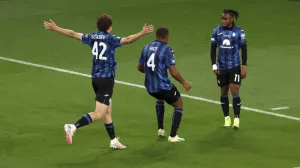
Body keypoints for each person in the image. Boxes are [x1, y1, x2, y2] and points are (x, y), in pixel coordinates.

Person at [44, 13, 154, 149]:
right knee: (99, 113)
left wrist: (56, 28)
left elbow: (72, 34)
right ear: (110, 27)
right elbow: (128, 40)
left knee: (107, 111)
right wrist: (142, 33)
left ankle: (113, 140)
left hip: (95, 79)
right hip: (106, 80)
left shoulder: (92, 37)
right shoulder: (110, 39)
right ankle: (73, 126)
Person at [137, 27, 191, 142]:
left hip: (150, 87)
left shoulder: (146, 48)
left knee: (159, 99)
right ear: (166, 36)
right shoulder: (166, 49)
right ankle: (173, 136)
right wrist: (184, 82)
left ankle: (160, 129)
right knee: (179, 105)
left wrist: (152, 72)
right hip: (163, 86)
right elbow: (173, 71)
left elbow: (140, 68)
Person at [210, 9, 248, 129]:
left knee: (235, 89)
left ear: (231, 19)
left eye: (225, 18)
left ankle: (236, 119)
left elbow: (244, 49)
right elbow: (212, 49)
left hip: (235, 65)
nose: (223, 20)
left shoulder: (239, 32)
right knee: (224, 91)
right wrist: (214, 64)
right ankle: (227, 118)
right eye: (222, 18)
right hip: (221, 66)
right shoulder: (216, 31)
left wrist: (244, 66)